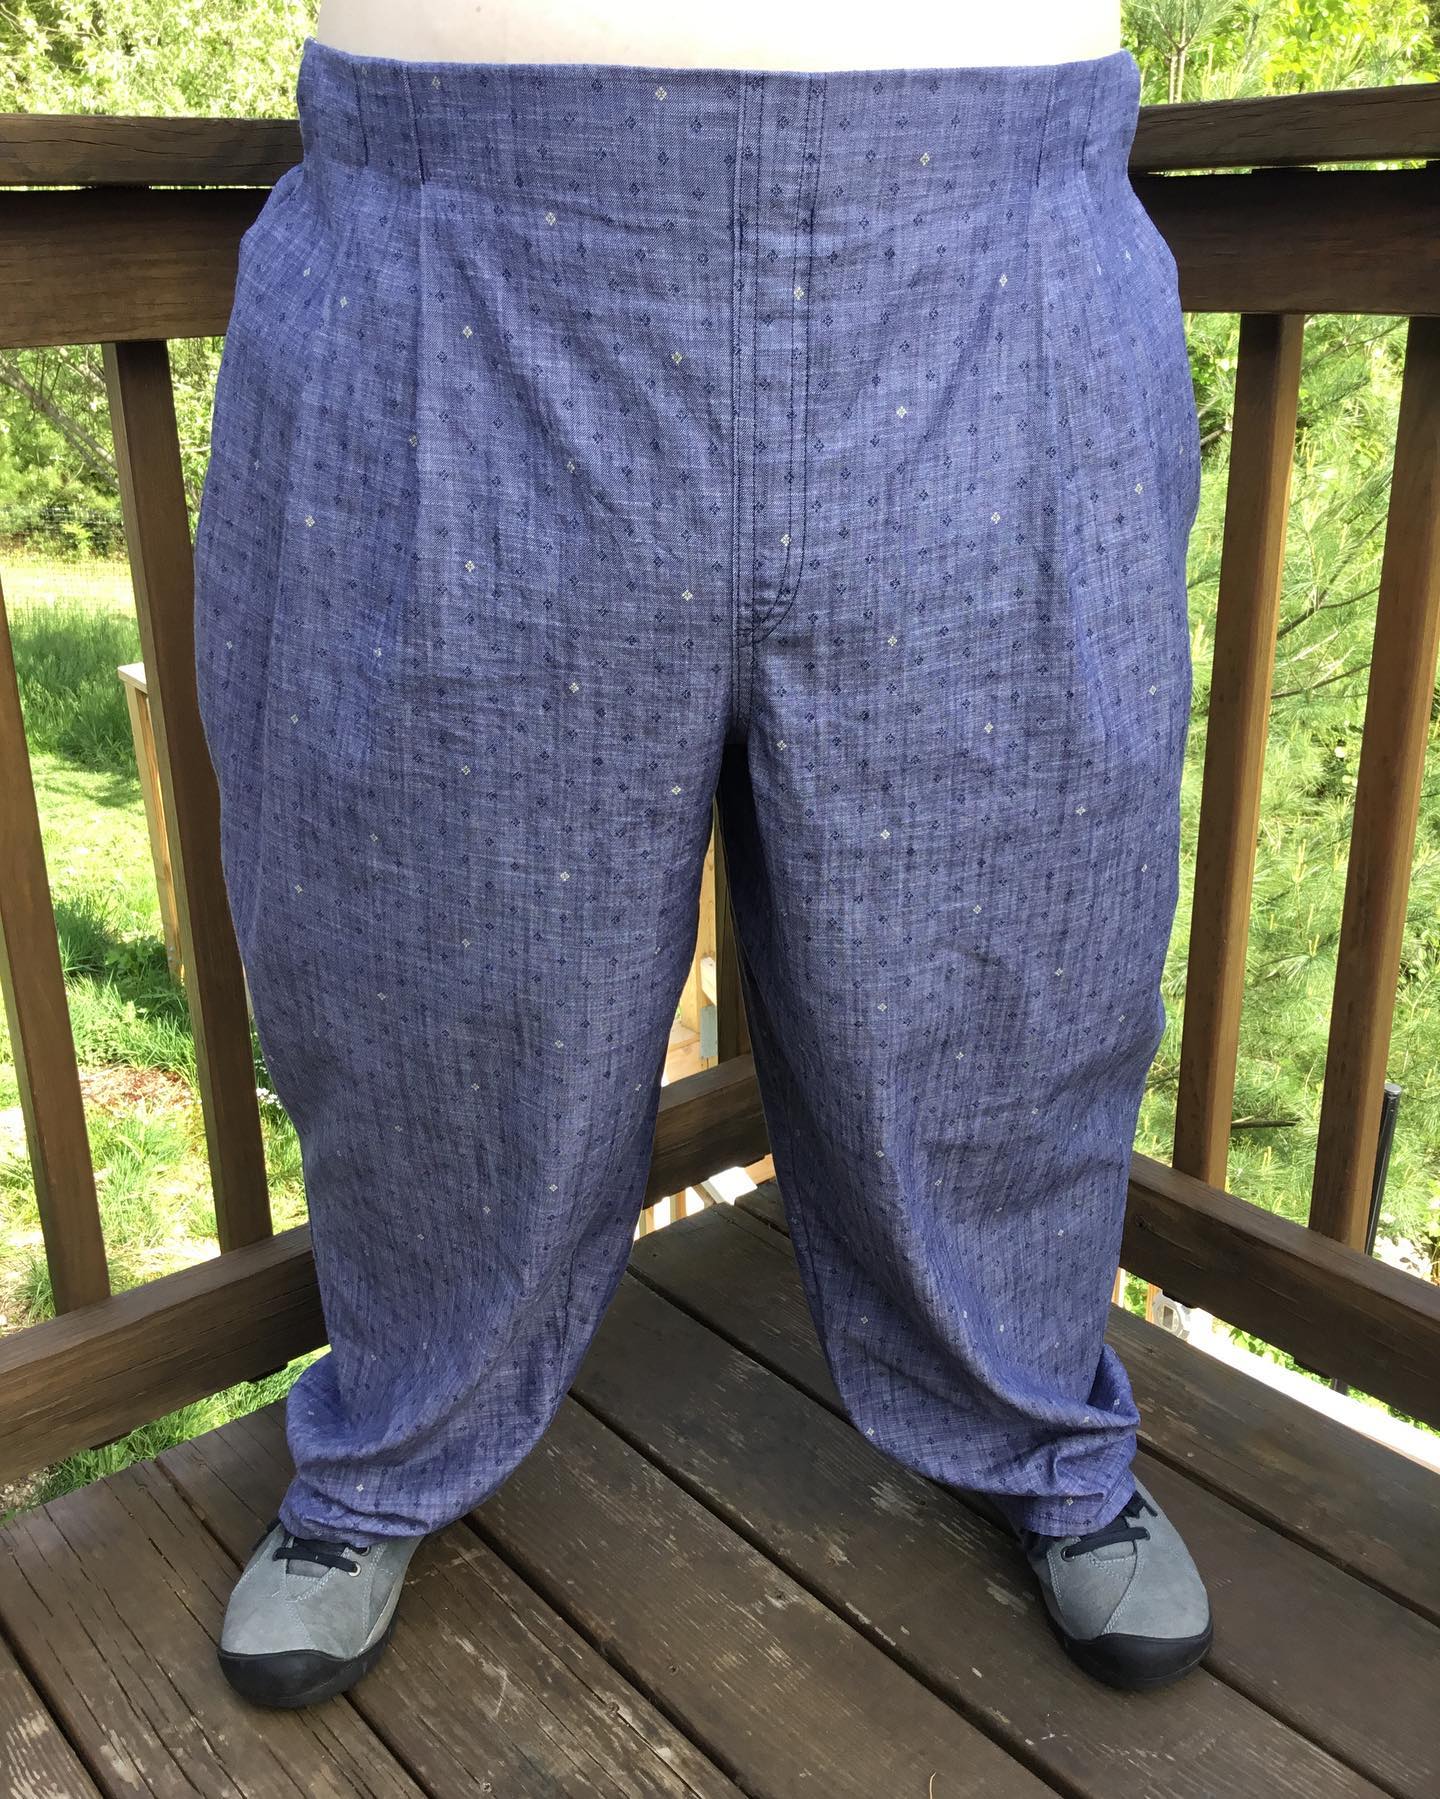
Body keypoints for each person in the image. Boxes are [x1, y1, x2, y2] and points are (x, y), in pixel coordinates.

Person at [197, 0, 1211, 1709]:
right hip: (452, 248)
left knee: (1018, 926)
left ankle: (1043, 1426)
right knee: (420, 942)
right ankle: (386, 1439)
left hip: (993, 253)